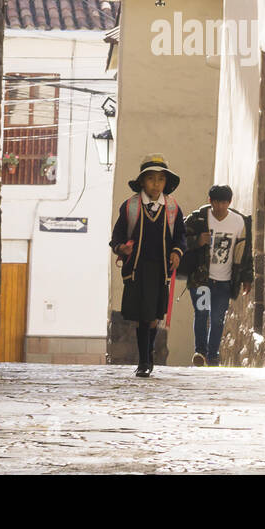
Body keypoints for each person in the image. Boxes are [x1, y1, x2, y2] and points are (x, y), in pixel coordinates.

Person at [110, 154, 186, 377]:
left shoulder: (172, 208)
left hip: (161, 271)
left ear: (166, 183)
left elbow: (181, 236)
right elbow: (117, 236)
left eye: (160, 179)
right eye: (151, 179)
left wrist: (176, 252)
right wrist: (121, 248)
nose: (156, 184)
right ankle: (144, 360)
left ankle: (147, 355)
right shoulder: (130, 207)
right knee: (143, 316)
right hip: (137, 271)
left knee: (153, 317)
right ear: (142, 181)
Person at [182, 185, 253, 366]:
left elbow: (245, 252)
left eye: (223, 202)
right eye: (216, 202)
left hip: (224, 281)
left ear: (229, 202)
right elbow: (179, 240)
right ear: (210, 201)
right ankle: (200, 352)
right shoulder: (198, 219)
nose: (220, 207)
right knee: (202, 313)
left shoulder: (239, 222)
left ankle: (212, 355)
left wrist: (247, 277)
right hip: (201, 279)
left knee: (217, 318)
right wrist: (197, 241)